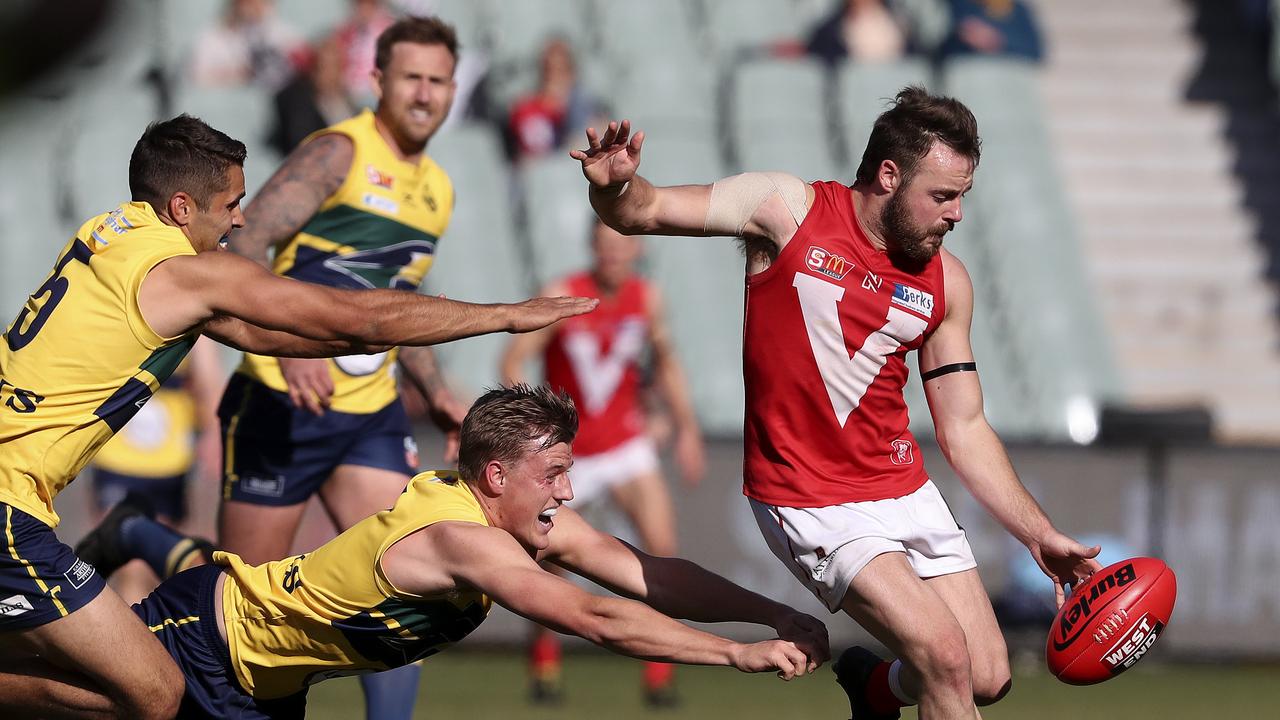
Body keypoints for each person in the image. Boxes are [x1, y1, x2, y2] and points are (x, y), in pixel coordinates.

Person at [0, 112, 593, 719]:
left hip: (15, 498)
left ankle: (137, 537)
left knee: (92, 671)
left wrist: (365, 339)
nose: (239, 219)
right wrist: (504, 314)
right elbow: (354, 317)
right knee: (154, 693)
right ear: (182, 207)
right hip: (8, 508)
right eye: (229, 204)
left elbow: (269, 332)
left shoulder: (113, 231)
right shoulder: (188, 272)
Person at [571, 88, 1102, 720]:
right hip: (811, 499)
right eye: (942, 196)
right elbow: (645, 210)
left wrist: (1037, 534)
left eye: (963, 196)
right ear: (888, 175)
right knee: (946, 659)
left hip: (900, 487)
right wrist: (612, 190)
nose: (957, 214)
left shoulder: (947, 282)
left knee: (987, 674)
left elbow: (962, 425)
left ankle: (873, 691)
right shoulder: (786, 209)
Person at [76, 384, 828, 719]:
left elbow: (646, 574)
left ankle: (138, 535)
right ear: (497, 475)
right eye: (555, 474)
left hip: (267, 690)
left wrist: (771, 615)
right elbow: (598, 617)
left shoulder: (513, 516)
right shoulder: (462, 541)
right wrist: (733, 656)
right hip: (203, 640)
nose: (568, 493)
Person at [220, 16, 475, 718]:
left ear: (454, 89)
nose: (424, 93)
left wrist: (439, 390)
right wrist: (279, 343)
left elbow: (401, 306)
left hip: (369, 412)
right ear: (379, 81)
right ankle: (140, 541)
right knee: (249, 603)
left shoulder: (439, 190)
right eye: (411, 77)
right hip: (280, 401)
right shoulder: (337, 152)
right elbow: (240, 251)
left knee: (403, 591)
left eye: (438, 80)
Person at [500, 220, 706, 706]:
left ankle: (659, 677)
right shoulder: (563, 295)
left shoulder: (646, 297)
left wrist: (687, 428)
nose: (613, 255)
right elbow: (513, 360)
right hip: (569, 452)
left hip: (625, 445)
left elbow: (667, 362)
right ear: (592, 246)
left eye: (621, 245)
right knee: (548, 560)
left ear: (635, 247)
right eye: (604, 245)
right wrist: (534, 430)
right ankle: (545, 666)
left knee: (661, 551)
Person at [88, 336, 223, 604]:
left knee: (156, 563)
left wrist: (212, 434)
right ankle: (134, 636)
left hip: (169, 465)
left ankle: (152, 632)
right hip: (116, 458)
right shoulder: (112, 311)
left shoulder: (193, 319)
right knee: (131, 563)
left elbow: (208, 381)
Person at [507, 37, 604, 161]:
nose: (554, 79)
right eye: (548, 70)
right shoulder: (525, 110)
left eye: (560, 70)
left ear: (572, 73)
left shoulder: (586, 109)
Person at [189, 0, 308, 91]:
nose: (254, 7)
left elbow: (303, 67)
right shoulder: (212, 37)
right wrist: (238, 74)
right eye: (248, 2)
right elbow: (197, 77)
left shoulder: (286, 35)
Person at [938, 0, 1044, 63]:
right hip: (965, 75)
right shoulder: (956, 5)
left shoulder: (1017, 10)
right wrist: (962, 35)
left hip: (1005, 78)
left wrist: (997, 41)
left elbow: (1035, 51)